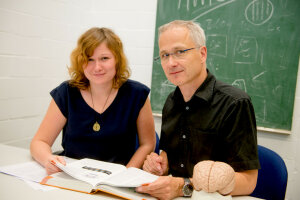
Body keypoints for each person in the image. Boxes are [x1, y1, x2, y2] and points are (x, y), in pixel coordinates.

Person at [136, 20, 260, 199]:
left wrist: (183, 186)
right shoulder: (171, 102)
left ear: (202, 54)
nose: (171, 63)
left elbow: (249, 182)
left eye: (180, 52)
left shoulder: (235, 103)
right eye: (164, 55)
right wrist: (159, 165)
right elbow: (169, 156)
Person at [30, 27, 156, 175]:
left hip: (117, 178)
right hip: (72, 177)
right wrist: (48, 160)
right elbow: (39, 142)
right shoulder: (66, 92)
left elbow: (147, 144)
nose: (97, 67)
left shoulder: (137, 94)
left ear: (117, 60)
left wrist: (126, 174)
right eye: (89, 59)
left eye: (104, 58)